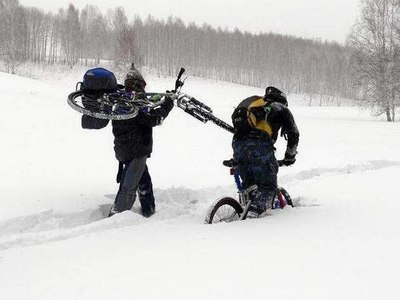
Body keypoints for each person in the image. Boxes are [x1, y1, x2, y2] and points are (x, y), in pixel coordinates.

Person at [109, 64, 175, 217]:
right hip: (135, 152)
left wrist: (162, 99)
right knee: (129, 187)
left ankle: (148, 211)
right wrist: (168, 104)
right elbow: (152, 119)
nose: (143, 89)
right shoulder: (131, 105)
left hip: (127, 149)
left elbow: (145, 110)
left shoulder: (125, 100)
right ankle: (116, 217)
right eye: (141, 86)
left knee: (144, 182)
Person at [231, 86, 299, 218]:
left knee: (250, 186)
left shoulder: (255, 105)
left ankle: (246, 210)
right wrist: (289, 157)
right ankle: (253, 216)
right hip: (260, 147)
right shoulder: (281, 108)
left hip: (238, 145)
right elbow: (294, 134)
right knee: (268, 186)